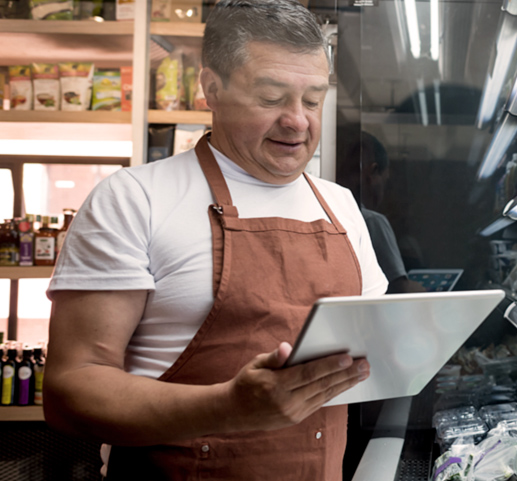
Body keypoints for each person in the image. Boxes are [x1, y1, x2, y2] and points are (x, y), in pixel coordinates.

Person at [42, 1, 388, 479]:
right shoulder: (135, 198)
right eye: (271, 98)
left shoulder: (341, 206)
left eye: (312, 100)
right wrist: (228, 407)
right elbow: (70, 391)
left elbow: (370, 358)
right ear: (211, 89)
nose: (298, 121)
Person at [356, 132, 425, 293]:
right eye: (386, 182)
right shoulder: (372, 221)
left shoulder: (334, 213)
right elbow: (399, 288)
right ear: (372, 173)